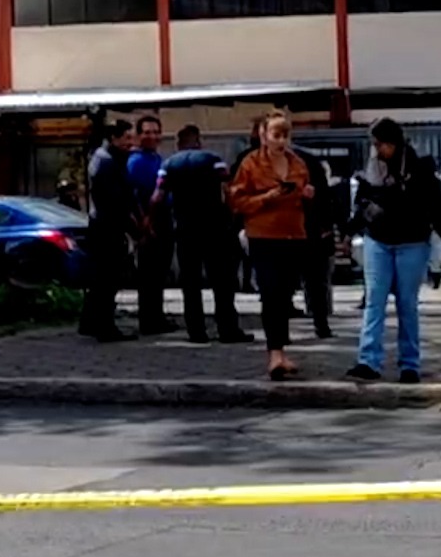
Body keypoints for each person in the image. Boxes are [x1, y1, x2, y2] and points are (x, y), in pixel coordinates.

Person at [345, 119, 441, 384]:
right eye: (374, 144)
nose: (377, 150)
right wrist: (351, 230)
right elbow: (362, 203)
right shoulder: (373, 168)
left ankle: (410, 364)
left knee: (407, 304)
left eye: (381, 144)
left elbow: (436, 205)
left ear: (394, 142)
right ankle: (368, 360)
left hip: (412, 241)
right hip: (378, 240)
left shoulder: (419, 167)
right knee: (374, 300)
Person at [228, 110, 314, 380]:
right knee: (270, 291)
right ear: (263, 135)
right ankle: (274, 353)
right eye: (276, 135)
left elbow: (308, 193)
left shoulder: (298, 163)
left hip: (293, 234)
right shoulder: (251, 164)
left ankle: (281, 350)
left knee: (285, 294)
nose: (281, 141)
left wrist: (307, 194)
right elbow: (237, 201)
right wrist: (269, 196)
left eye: (286, 135)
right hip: (263, 235)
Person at [153, 125, 252, 345]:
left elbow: (157, 198)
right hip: (214, 228)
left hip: (185, 230)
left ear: (179, 143)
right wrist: (232, 216)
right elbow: (227, 190)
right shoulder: (213, 160)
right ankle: (228, 329)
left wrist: (153, 220)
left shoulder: (168, 165)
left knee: (190, 282)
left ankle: (196, 331)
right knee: (222, 281)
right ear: (198, 141)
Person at [79, 120, 138, 342]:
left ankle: (90, 323)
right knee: (107, 280)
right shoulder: (107, 162)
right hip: (107, 227)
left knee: (100, 280)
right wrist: (131, 227)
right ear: (114, 138)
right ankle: (105, 327)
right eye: (127, 138)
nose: (130, 143)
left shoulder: (102, 157)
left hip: (102, 224)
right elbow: (115, 200)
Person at [127, 115, 176, 335]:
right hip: (148, 219)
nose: (152, 136)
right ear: (138, 135)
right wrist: (143, 222)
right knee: (149, 273)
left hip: (164, 218)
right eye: (147, 132)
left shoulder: (156, 158)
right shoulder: (135, 161)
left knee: (159, 272)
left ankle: (157, 317)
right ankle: (149, 321)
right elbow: (133, 194)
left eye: (156, 132)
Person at [298, 147, 339, 339]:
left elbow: (324, 197)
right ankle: (321, 322)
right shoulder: (310, 161)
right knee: (316, 280)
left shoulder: (306, 162)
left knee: (313, 279)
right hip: (310, 228)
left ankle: (320, 321)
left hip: (307, 228)